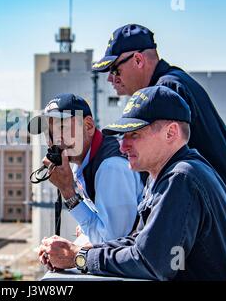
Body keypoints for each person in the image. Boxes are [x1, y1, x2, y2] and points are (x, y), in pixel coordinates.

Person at [38, 86, 226, 280]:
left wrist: (79, 257)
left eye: (134, 134)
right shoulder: (167, 174)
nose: (123, 146)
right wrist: (74, 252)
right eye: (123, 136)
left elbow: (152, 262)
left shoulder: (181, 177)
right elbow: (136, 243)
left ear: (171, 133)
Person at [92, 24, 226, 239]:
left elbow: (160, 165)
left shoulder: (165, 89)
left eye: (115, 70)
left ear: (138, 60)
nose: (111, 79)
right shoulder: (174, 79)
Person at [28, 93, 143, 244]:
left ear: (88, 126)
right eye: (48, 132)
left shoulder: (110, 167)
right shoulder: (81, 161)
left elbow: (112, 242)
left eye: (61, 127)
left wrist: (67, 191)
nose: (53, 140)